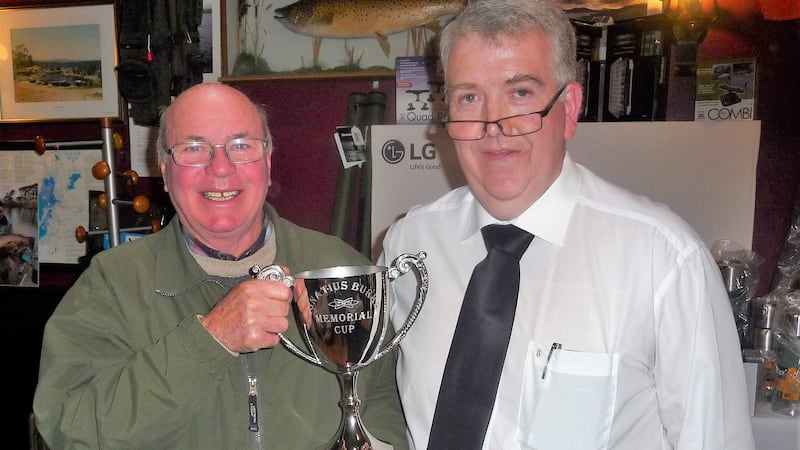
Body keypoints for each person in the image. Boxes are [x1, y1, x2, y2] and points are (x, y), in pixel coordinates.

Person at [378, 0, 756, 449]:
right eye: (469, 97)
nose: (493, 126)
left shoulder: (663, 259)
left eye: (520, 93)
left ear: (570, 108)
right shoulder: (410, 244)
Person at [33, 83, 408, 449]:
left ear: (268, 160)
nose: (221, 168)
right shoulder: (111, 285)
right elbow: (68, 429)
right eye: (193, 148)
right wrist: (209, 341)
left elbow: (390, 403)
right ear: (163, 168)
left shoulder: (340, 267)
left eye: (241, 146)